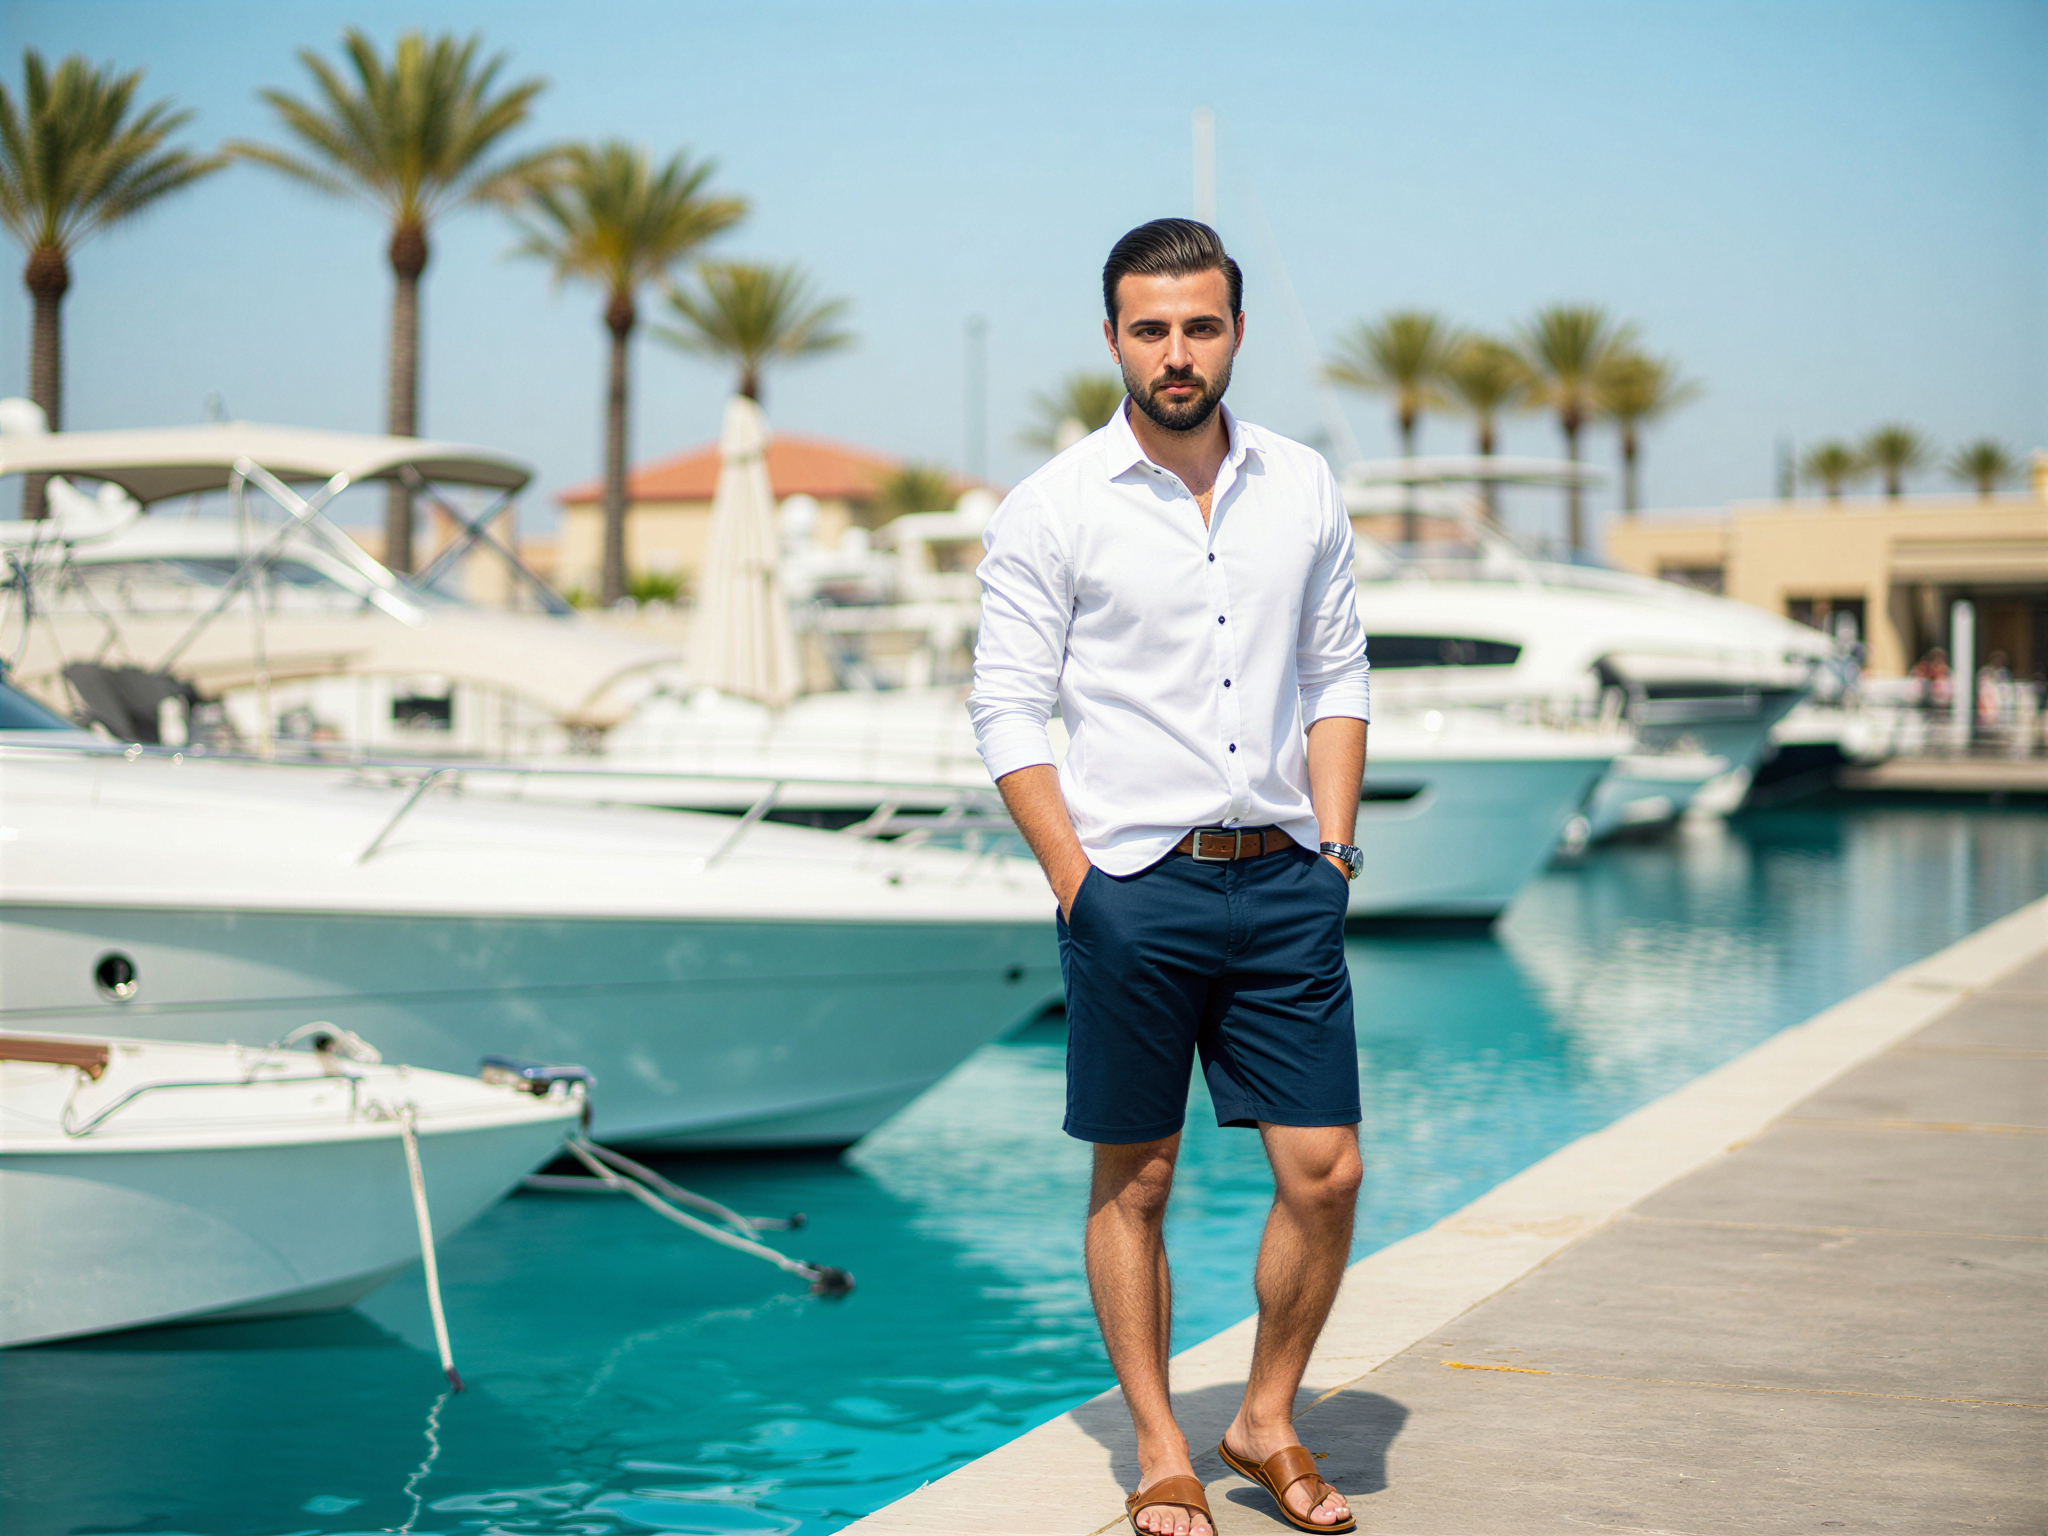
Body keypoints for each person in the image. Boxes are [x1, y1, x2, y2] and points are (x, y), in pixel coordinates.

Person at [969, 219, 1370, 1536]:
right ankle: (1158, 1447)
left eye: (1200, 325)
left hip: (1286, 880)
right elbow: (1007, 713)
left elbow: (1338, 674)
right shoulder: (1054, 506)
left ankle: (1263, 1415)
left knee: (1327, 1172)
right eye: (1152, 328)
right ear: (1113, 340)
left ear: (1236, 332)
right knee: (1135, 1182)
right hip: (1133, 889)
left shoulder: (1304, 485)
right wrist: (1079, 884)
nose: (1177, 351)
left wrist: (1339, 842)